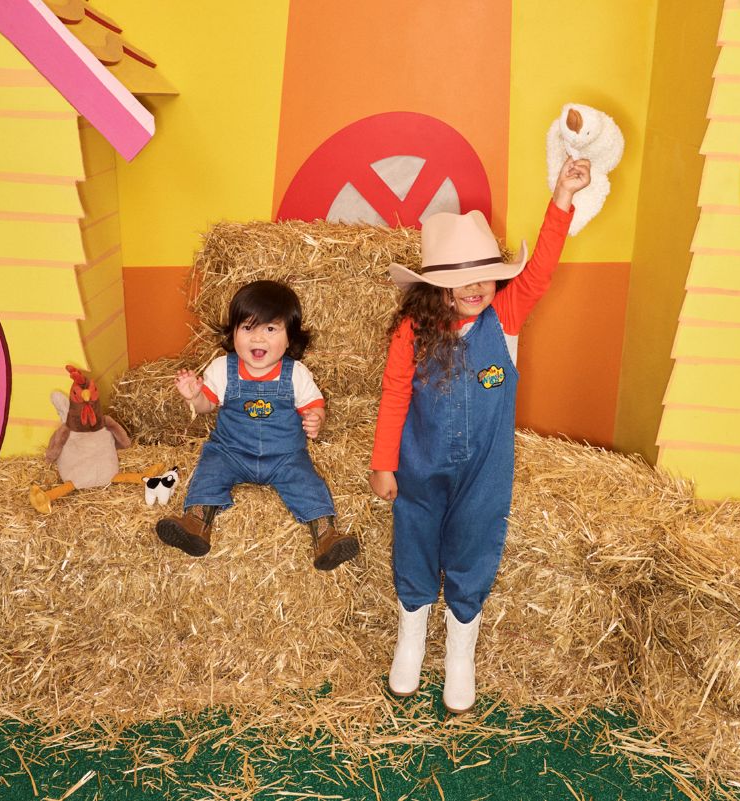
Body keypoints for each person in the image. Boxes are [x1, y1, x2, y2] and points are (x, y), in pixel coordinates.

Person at [369, 156, 591, 712]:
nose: (475, 287)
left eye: (483, 275)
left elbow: (540, 268)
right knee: (415, 540)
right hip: (420, 463)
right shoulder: (411, 332)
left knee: (472, 547)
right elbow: (395, 394)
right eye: (457, 279)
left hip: (485, 468)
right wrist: (384, 462)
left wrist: (561, 196)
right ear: (434, 289)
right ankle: (412, 634)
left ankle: (460, 651)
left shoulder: (506, 317)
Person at [157, 280, 359, 571]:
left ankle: (326, 538)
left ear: (290, 338)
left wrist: (316, 418)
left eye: (270, 329)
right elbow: (206, 406)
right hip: (231, 451)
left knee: (308, 484)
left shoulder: (296, 374)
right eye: (247, 328)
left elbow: (313, 404)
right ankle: (195, 525)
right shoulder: (222, 368)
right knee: (210, 470)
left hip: (285, 456)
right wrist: (195, 395)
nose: (258, 339)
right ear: (233, 333)